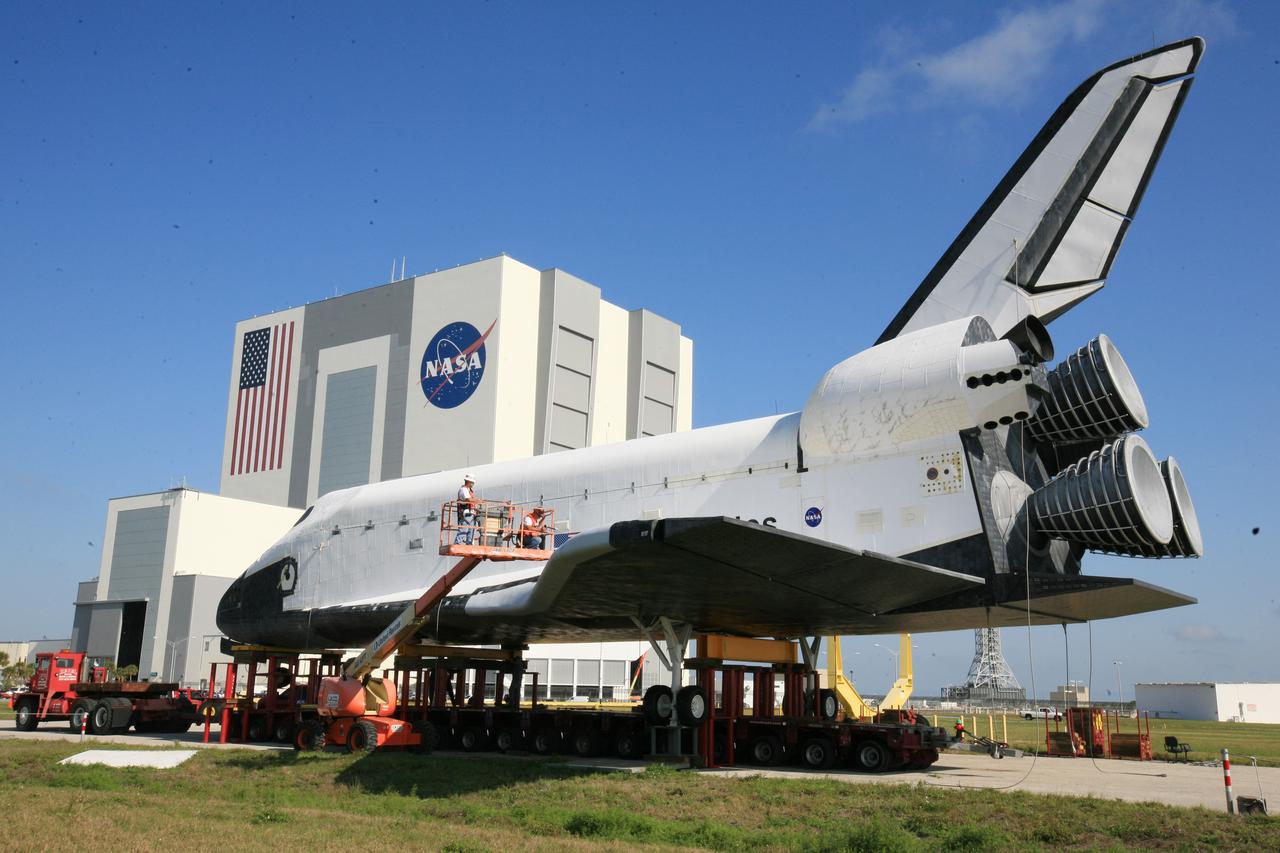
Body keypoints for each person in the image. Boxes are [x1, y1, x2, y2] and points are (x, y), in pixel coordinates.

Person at [455, 474, 478, 544]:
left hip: (471, 513)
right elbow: (468, 499)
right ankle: (457, 544)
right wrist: (478, 500)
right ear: (468, 481)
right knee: (464, 530)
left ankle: (469, 544)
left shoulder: (469, 490)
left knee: (471, 531)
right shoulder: (463, 489)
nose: (473, 484)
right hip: (466, 513)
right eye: (472, 482)